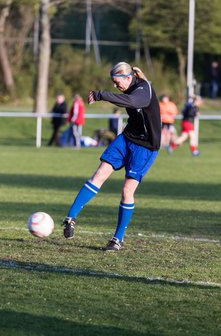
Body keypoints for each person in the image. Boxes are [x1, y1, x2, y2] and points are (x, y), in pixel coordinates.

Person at [62, 61, 161, 251]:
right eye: (113, 83)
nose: (116, 86)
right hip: (126, 139)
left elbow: (132, 102)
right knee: (99, 174)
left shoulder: (144, 88)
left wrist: (102, 95)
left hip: (146, 147)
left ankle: (117, 239)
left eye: (117, 82)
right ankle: (70, 218)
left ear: (128, 77)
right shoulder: (129, 87)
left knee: (126, 191)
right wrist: (106, 95)